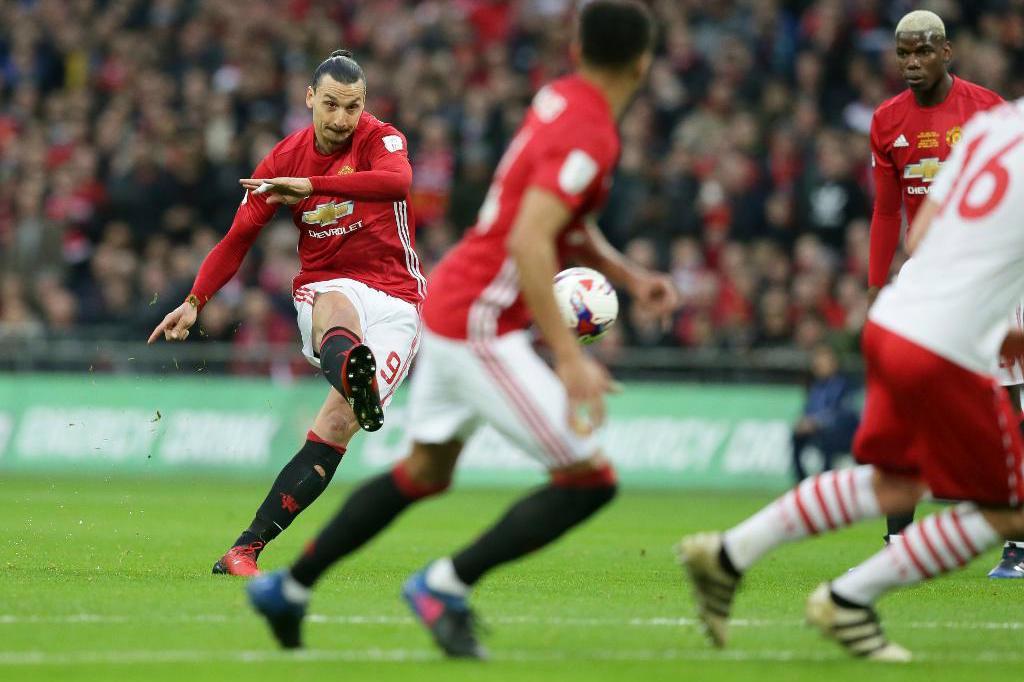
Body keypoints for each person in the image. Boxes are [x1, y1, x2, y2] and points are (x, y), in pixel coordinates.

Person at [245, 0, 678, 659]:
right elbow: (534, 242)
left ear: (577, 48)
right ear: (642, 62)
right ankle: (444, 586)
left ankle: (291, 590)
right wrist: (567, 357)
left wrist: (626, 271)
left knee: (424, 470)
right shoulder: (592, 133)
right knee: (591, 480)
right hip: (478, 318)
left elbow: (557, 218)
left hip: (451, 299)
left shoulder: (559, 100)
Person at [679, 96, 1024, 661]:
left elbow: (919, 236)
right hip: (944, 342)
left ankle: (728, 554)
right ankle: (849, 598)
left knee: (894, 483)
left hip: (896, 316)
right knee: (1010, 510)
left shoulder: (993, 125)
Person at [147, 50, 425, 577]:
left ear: (364, 105)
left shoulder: (381, 138)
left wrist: (313, 187)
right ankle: (353, 371)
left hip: (397, 299)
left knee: (337, 426)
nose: (342, 119)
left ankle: (242, 550)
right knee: (335, 305)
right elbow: (237, 239)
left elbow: (397, 184)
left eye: (352, 107)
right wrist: (194, 301)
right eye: (331, 106)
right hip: (327, 285)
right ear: (308, 100)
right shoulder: (282, 161)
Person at [861, 12, 1024, 569]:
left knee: (1006, 399)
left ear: (947, 52)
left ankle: (1018, 540)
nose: (912, 62)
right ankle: (899, 540)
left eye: (923, 52)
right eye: (904, 53)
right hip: (927, 274)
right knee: (900, 394)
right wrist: (875, 284)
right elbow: (886, 209)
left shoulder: (989, 111)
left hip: (990, 274)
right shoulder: (886, 120)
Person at [791, 343, 860, 482]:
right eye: (817, 361)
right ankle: (801, 481)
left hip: (844, 434)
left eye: (823, 361)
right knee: (796, 436)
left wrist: (816, 422)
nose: (819, 365)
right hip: (819, 432)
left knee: (828, 437)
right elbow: (809, 410)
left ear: (834, 363)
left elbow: (844, 413)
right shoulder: (815, 387)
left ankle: (825, 480)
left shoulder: (844, 385)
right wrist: (804, 421)